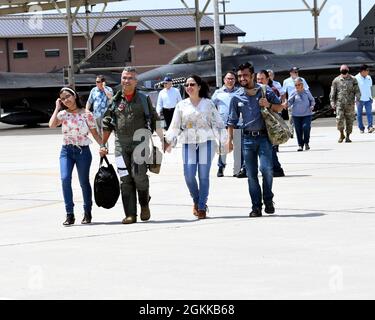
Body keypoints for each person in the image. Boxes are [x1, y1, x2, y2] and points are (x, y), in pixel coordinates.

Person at [100, 67, 164, 224]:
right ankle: (130, 214)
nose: (126, 80)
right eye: (124, 77)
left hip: (140, 143)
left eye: (130, 78)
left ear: (136, 81)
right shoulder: (115, 100)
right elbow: (107, 123)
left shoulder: (143, 99)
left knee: (139, 175)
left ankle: (144, 204)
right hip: (120, 145)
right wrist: (103, 144)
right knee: (125, 178)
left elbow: (155, 118)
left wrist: (163, 138)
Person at [164, 75, 227, 219]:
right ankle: (196, 199)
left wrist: (224, 141)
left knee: (203, 175)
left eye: (192, 84)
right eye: (187, 85)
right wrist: (168, 140)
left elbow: (218, 123)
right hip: (188, 142)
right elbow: (175, 125)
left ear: (199, 86)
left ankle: (202, 206)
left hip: (207, 142)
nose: (189, 87)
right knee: (189, 175)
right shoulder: (181, 105)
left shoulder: (208, 104)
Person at [226, 62, 283, 218]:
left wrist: (269, 104)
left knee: (267, 170)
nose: (242, 78)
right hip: (246, 140)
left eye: (245, 75)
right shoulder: (236, 96)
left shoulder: (265, 90)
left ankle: (268, 200)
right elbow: (231, 121)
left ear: (252, 75)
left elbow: (280, 107)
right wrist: (229, 140)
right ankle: (256, 207)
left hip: (264, 138)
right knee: (251, 175)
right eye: (239, 76)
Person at [49, 87, 103, 226]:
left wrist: (102, 145)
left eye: (68, 96)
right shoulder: (63, 114)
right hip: (66, 151)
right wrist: (57, 108)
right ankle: (69, 214)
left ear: (74, 96)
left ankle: (87, 212)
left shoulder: (86, 114)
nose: (66, 100)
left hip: (82, 151)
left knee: (83, 182)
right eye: (63, 99)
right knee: (65, 179)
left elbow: (94, 132)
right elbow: (51, 125)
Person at [257, 70, 286, 177]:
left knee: (269, 148)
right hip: (257, 125)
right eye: (258, 79)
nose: (259, 81)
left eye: (262, 79)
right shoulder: (254, 90)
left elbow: (279, 108)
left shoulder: (271, 90)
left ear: (267, 79)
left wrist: (268, 104)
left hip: (269, 125)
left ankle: (277, 169)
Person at [211, 71, 238, 177]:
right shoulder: (218, 93)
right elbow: (211, 107)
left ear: (235, 80)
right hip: (223, 125)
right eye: (228, 78)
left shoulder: (240, 92)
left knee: (238, 147)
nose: (230, 81)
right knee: (223, 147)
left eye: (232, 79)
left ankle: (237, 169)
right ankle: (221, 167)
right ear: (224, 80)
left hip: (237, 124)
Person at [330, 65, 361, 143]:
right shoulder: (336, 80)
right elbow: (333, 92)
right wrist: (332, 102)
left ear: (348, 70)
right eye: (342, 70)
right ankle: (341, 134)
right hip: (339, 103)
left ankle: (348, 136)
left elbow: (357, 90)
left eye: (345, 70)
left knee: (349, 121)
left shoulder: (353, 79)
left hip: (350, 103)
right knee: (339, 119)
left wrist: (358, 98)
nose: (344, 71)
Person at [288, 78, 315, 151]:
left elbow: (312, 100)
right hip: (296, 115)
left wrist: (312, 106)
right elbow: (289, 102)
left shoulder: (306, 92)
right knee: (298, 130)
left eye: (298, 84)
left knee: (306, 127)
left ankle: (306, 143)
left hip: (307, 114)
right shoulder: (293, 92)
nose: (297, 86)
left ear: (302, 85)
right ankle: (300, 145)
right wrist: (287, 105)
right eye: (295, 85)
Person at [85, 75, 113, 144]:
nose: (96, 83)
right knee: (98, 132)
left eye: (98, 82)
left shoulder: (108, 89)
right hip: (96, 114)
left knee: (104, 131)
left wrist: (104, 88)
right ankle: (102, 145)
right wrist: (87, 109)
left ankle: (104, 146)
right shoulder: (94, 90)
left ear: (103, 82)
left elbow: (110, 97)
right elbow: (89, 101)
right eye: (96, 82)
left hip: (106, 114)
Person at [282, 67, 309, 136]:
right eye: (294, 72)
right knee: (291, 117)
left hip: (302, 101)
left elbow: (307, 90)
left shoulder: (302, 80)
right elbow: (284, 92)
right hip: (292, 102)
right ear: (290, 73)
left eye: (297, 72)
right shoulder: (286, 81)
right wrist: (284, 101)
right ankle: (291, 131)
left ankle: (301, 130)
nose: (296, 73)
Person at [355, 64, 374, 133]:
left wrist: (371, 97)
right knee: (359, 114)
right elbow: (354, 89)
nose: (368, 72)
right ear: (363, 71)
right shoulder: (356, 78)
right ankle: (361, 128)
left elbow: (370, 88)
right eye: (367, 70)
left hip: (368, 99)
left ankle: (370, 127)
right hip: (359, 99)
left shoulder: (369, 77)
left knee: (369, 113)